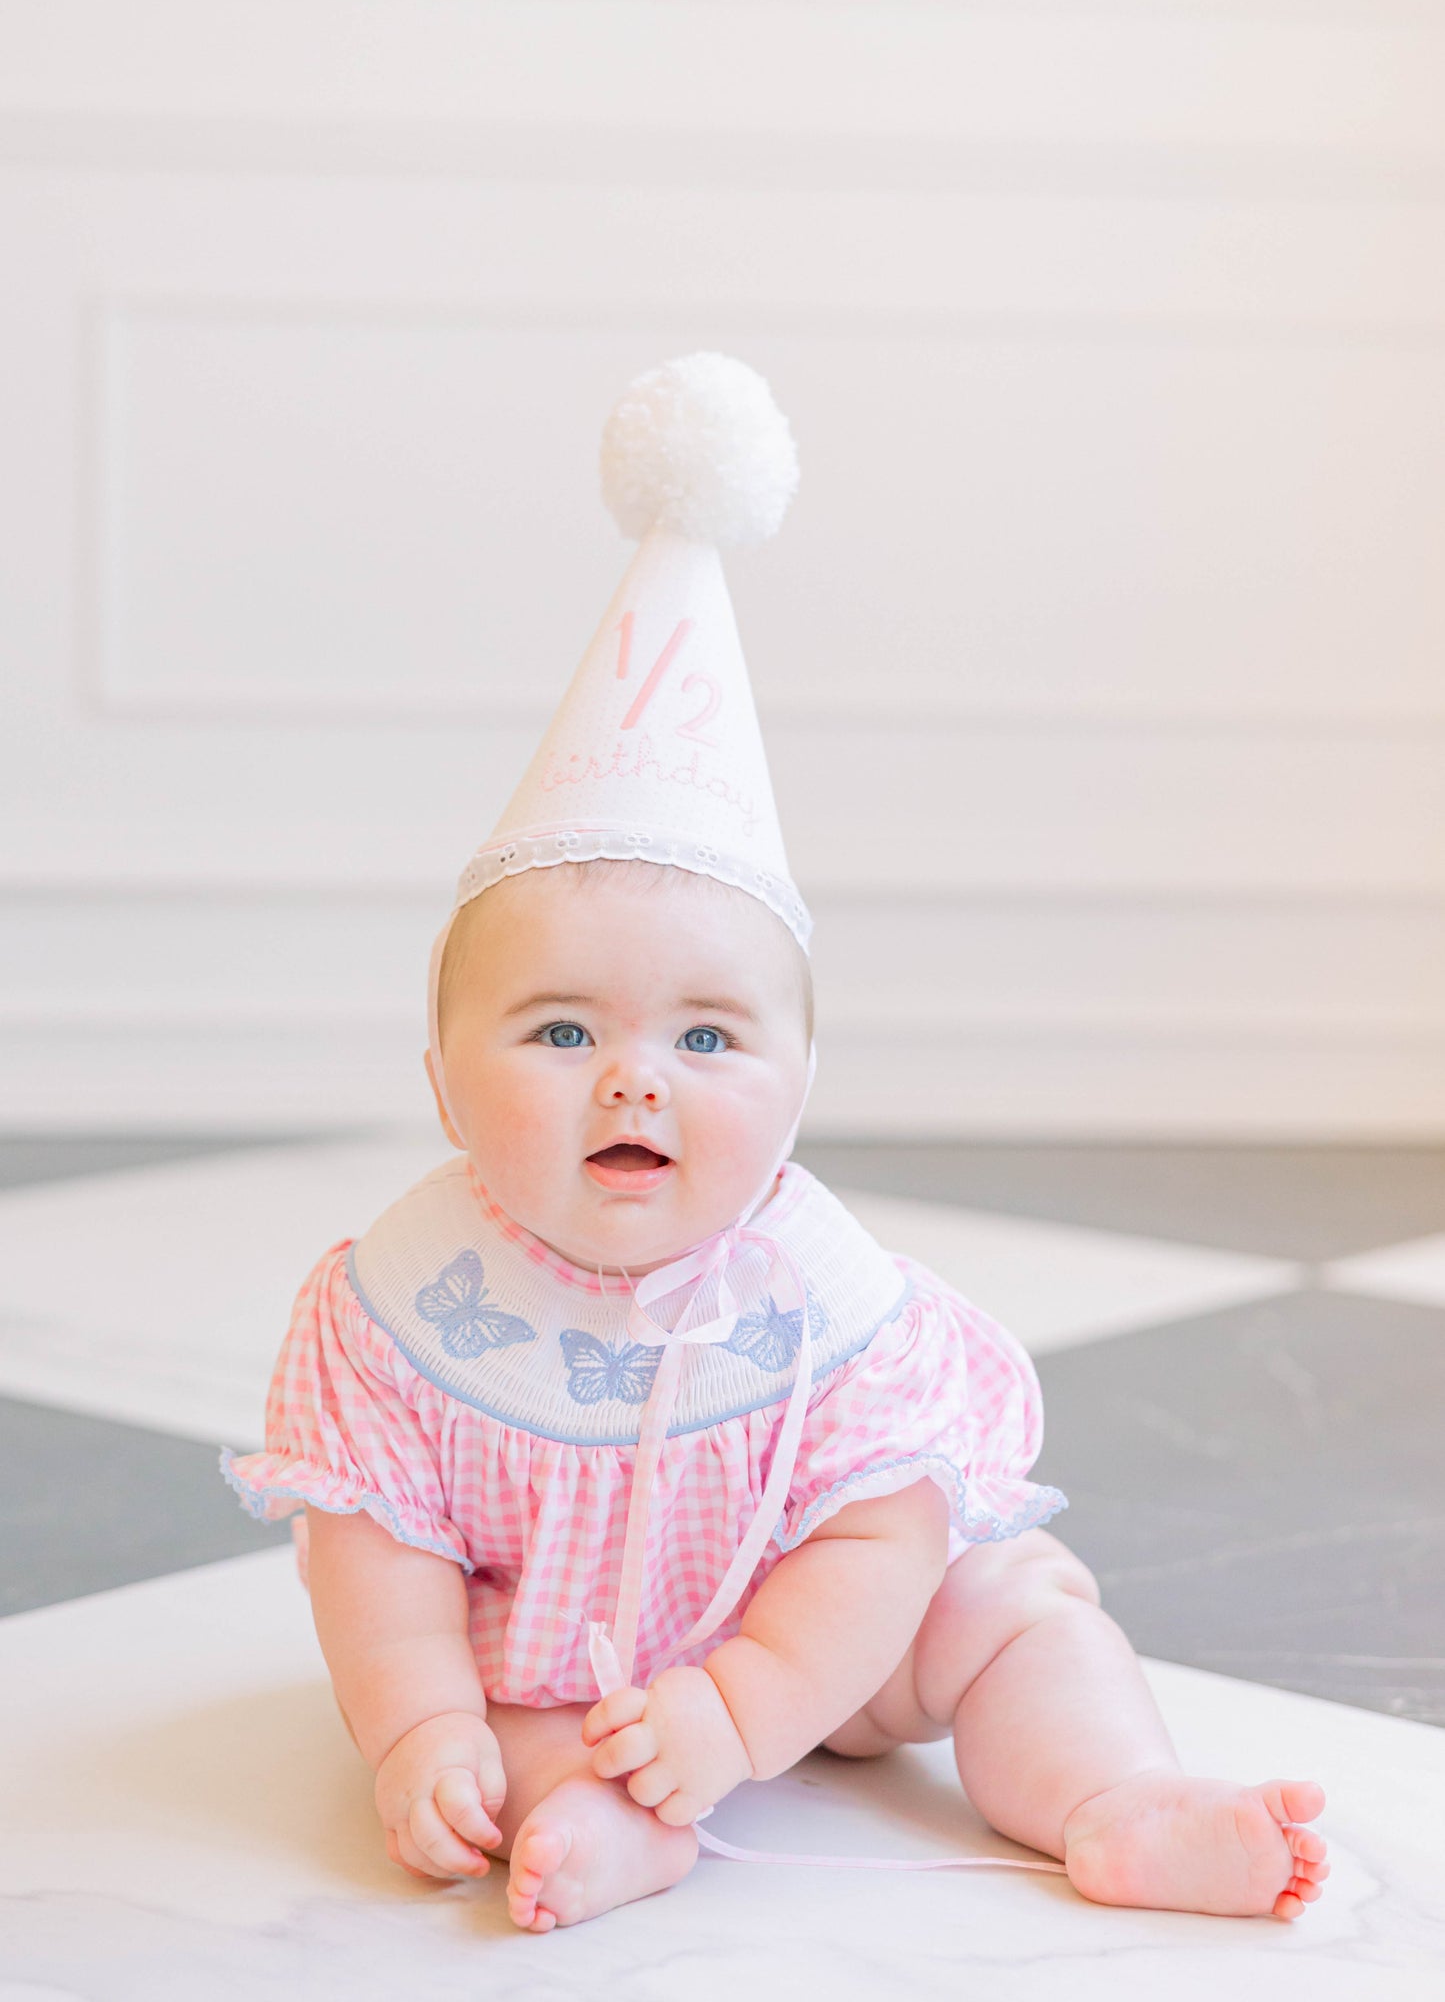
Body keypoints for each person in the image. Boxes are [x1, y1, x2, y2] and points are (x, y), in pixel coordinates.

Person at [224, 356, 1328, 1934]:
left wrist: (741, 1710)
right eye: (558, 1032)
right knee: (507, 1730)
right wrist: (420, 1730)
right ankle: (600, 1831)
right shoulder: (402, 1310)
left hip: (819, 1648)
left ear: (797, 1089)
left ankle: (1112, 1800)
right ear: (443, 1088)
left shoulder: (831, 1307)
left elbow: (881, 1538)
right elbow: (375, 1563)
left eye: (704, 1037)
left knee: (1013, 1609)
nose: (634, 1083)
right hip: (560, 1660)